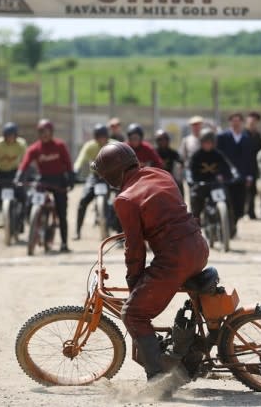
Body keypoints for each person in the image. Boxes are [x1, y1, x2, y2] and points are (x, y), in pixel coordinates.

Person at [90, 142, 208, 382]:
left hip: (175, 259)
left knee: (133, 313)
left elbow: (135, 248)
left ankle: (159, 378)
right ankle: (181, 351)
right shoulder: (161, 174)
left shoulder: (125, 199)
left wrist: (134, 279)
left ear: (113, 174)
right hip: (198, 247)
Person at [16, 119, 74, 253]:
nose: (44, 134)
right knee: (30, 202)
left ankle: (64, 243)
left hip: (59, 181)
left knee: (61, 212)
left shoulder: (60, 146)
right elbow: (24, 164)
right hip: (43, 180)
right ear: (38, 133)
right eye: (41, 132)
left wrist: (70, 178)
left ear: (52, 132)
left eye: (47, 132)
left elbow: (68, 164)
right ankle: (34, 226)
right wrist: (18, 177)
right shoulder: (34, 149)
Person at [188, 128, 236, 230]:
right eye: (206, 143)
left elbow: (228, 167)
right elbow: (189, 170)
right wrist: (191, 180)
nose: (208, 145)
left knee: (227, 200)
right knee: (195, 201)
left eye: (210, 143)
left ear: (214, 143)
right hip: (201, 185)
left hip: (215, 185)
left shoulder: (218, 155)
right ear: (201, 143)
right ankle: (195, 228)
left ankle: (230, 227)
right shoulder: (196, 156)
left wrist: (231, 176)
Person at [73, 123, 115, 240]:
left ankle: (118, 230)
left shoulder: (114, 145)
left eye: (103, 136)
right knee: (82, 201)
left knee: (120, 200)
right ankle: (77, 231)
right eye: (99, 137)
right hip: (95, 176)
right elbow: (81, 159)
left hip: (111, 176)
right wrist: (75, 170)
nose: (101, 139)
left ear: (107, 136)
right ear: (95, 137)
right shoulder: (89, 146)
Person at [216, 112, 256, 233]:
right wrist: (218, 173)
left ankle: (234, 222)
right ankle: (225, 227)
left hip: (242, 176)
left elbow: (250, 158)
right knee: (226, 201)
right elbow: (217, 156)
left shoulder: (246, 139)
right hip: (226, 176)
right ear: (230, 122)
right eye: (233, 120)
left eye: (238, 121)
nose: (236, 123)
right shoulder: (222, 137)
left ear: (242, 122)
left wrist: (250, 175)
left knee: (239, 203)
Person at [244, 112, 261, 219]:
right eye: (251, 122)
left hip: (253, 167)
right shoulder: (243, 134)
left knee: (252, 191)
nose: (253, 124)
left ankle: (251, 212)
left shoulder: (258, 136)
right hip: (243, 166)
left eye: (255, 122)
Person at [154, 129, 184, 195]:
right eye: (160, 139)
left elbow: (180, 163)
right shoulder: (153, 153)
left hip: (171, 180)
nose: (163, 141)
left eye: (164, 139)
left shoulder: (173, 153)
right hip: (156, 180)